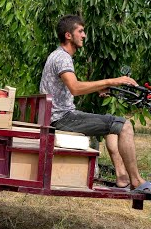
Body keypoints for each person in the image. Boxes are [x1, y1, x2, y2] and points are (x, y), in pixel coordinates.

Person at [39, 14, 151, 193]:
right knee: (125, 126)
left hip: (58, 115)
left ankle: (122, 178)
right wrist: (111, 81)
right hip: (61, 118)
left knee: (115, 126)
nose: (84, 35)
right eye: (80, 31)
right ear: (68, 35)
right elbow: (75, 87)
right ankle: (136, 181)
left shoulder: (59, 56)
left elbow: (70, 85)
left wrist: (99, 88)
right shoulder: (62, 57)